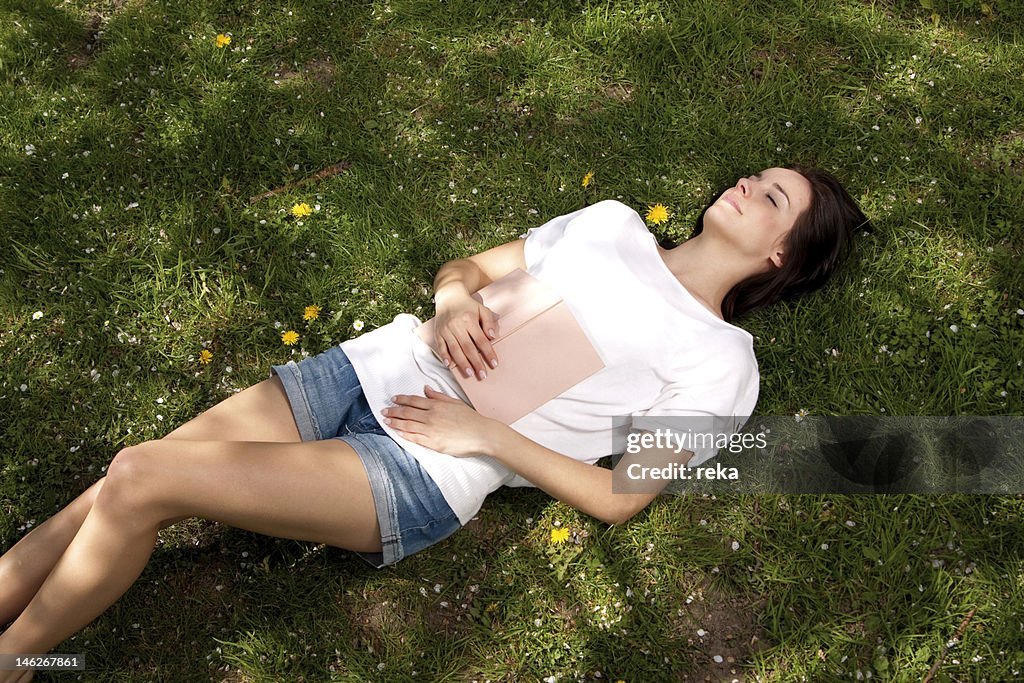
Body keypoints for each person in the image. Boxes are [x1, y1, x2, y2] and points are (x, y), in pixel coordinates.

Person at [0, 164, 871, 676]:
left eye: (773, 198)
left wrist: (491, 439)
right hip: (366, 366)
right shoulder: (610, 226)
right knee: (120, 475)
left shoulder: (721, 362)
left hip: (423, 464)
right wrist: (455, 299)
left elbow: (620, 497)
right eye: (758, 175)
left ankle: (22, 662)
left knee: (144, 476)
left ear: (781, 253)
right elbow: (467, 265)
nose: (750, 185)